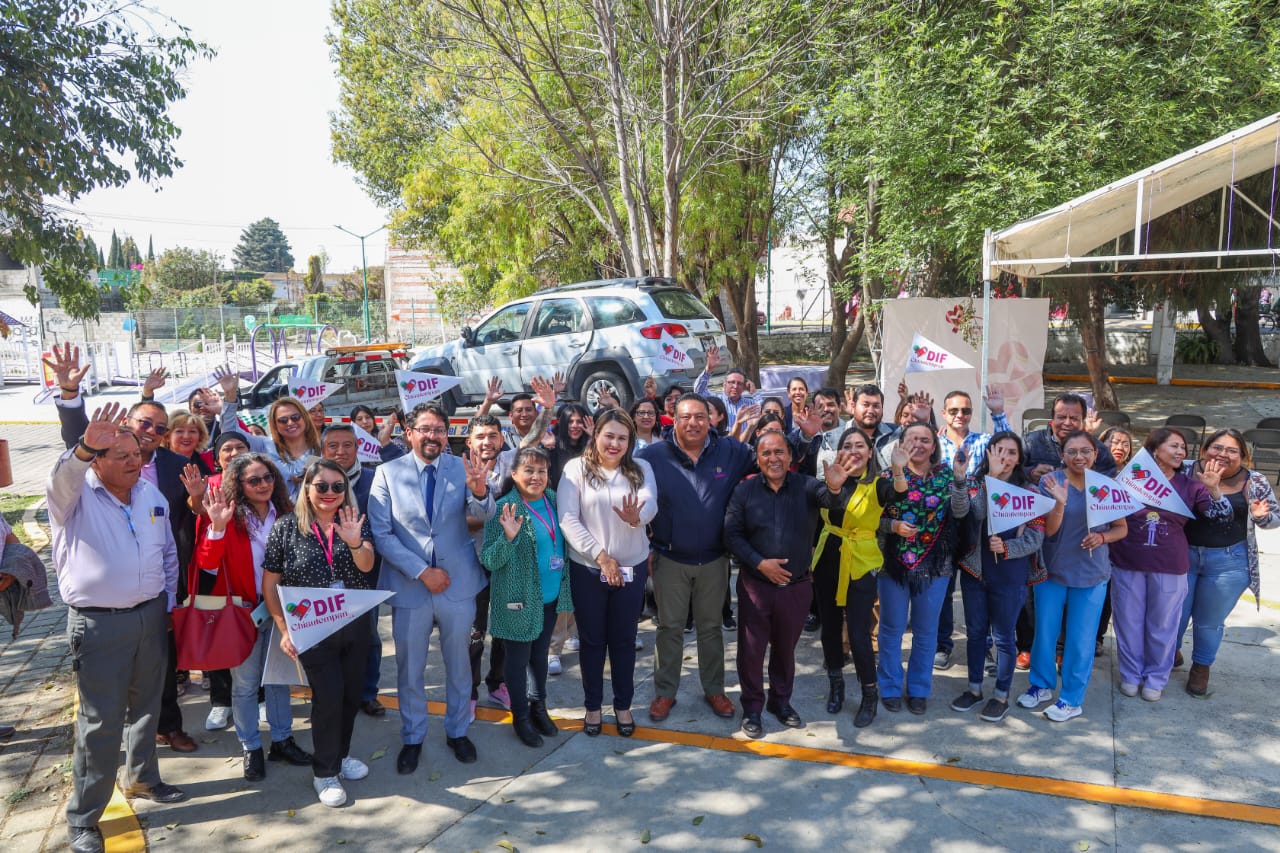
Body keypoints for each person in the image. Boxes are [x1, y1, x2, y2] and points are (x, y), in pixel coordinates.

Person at [46, 344, 200, 755]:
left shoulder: (162, 475)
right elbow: (71, 459)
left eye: (156, 430)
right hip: (99, 619)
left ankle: (154, 756)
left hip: (154, 602)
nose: (137, 453)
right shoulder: (81, 488)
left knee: (156, 690)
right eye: (142, 426)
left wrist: (169, 598)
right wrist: (69, 398)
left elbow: (171, 542)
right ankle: (90, 801)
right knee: (103, 712)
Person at [48, 403, 186, 853]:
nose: (133, 461)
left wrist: (164, 603)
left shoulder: (151, 496)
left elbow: (168, 555)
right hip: (99, 624)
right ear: (97, 460)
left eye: (136, 454)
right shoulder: (75, 496)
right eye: (119, 454)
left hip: (149, 616)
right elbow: (61, 477)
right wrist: (85, 443)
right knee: (99, 723)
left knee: (147, 707)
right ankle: (85, 818)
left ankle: (143, 778)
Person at [369, 402, 495, 772]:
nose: (433, 436)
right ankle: (413, 736)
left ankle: (458, 731)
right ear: (409, 433)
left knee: (459, 665)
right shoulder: (387, 473)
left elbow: (485, 516)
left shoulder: (463, 467)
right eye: (425, 429)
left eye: (439, 430)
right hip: (412, 588)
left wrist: (482, 492)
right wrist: (423, 572)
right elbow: (381, 533)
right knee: (410, 669)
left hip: (458, 584)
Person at [724, 433, 855, 738]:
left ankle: (780, 703)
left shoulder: (807, 485)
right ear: (757, 458)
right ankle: (753, 707)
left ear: (790, 457)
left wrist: (836, 488)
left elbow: (831, 500)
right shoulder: (744, 491)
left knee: (785, 649)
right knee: (751, 651)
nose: (773, 458)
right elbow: (731, 535)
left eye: (779, 452)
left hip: (796, 588)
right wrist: (760, 563)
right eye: (766, 453)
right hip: (756, 585)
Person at [263, 459, 376, 807]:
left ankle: (339, 757)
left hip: (355, 624)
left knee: (350, 696)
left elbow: (368, 566)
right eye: (321, 486)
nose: (329, 493)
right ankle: (324, 772)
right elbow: (270, 585)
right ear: (307, 489)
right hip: (312, 627)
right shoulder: (285, 528)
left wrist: (355, 542)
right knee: (328, 698)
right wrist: (283, 628)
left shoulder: (355, 520)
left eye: (337, 487)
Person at [639, 393, 756, 723]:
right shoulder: (652, 457)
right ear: (673, 420)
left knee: (711, 629)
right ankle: (665, 692)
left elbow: (772, 460)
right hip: (669, 559)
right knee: (669, 628)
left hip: (715, 561)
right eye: (686, 417)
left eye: (700, 417)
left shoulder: (730, 452)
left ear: (712, 420)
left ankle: (714, 689)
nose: (693, 423)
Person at [194, 454, 311, 780]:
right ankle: (250, 747)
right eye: (254, 480)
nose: (263, 485)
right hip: (244, 612)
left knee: (278, 679)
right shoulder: (226, 517)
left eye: (268, 478)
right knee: (245, 685)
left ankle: (282, 740)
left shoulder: (287, 513)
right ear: (239, 485)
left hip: (283, 610)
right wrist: (216, 527)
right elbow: (206, 565)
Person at [1108, 428, 1229, 702]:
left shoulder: (1191, 486)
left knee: (1163, 626)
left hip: (1170, 566)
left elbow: (1220, 518)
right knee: (1128, 623)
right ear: (1154, 450)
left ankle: (1155, 678)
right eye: (1174, 446)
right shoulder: (1129, 480)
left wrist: (1214, 490)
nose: (1180, 452)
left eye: (1183, 448)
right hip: (1127, 562)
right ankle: (1130, 674)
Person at [557, 409, 657, 737]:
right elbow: (568, 519)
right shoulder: (576, 470)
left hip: (632, 569)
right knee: (592, 642)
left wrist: (635, 518)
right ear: (596, 434)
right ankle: (592, 706)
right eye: (609, 435)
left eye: (622, 438)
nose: (614, 443)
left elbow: (649, 504)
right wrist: (601, 556)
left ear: (630, 442)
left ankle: (623, 705)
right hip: (589, 570)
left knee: (624, 641)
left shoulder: (642, 468)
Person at [1018, 430, 1128, 722]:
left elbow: (1122, 528)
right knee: (1044, 633)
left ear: (1095, 454)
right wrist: (1059, 503)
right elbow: (1050, 532)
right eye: (1072, 451)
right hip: (1052, 571)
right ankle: (1040, 685)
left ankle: (1071, 699)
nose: (1079, 457)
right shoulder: (1049, 481)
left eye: (1085, 451)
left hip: (1091, 575)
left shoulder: (1106, 485)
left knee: (1081, 640)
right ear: (1062, 455)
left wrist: (1103, 538)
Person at [481, 447, 574, 746]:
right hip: (517, 600)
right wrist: (508, 537)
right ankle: (520, 716)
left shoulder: (555, 501)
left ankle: (539, 707)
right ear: (514, 474)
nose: (536, 477)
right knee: (518, 660)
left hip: (550, 596)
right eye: (529, 471)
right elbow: (489, 560)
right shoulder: (504, 508)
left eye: (542, 471)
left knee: (539, 656)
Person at [950, 433, 1045, 723]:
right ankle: (974, 689)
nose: (1005, 457)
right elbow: (965, 511)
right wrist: (983, 478)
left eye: (1012, 452)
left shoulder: (1030, 492)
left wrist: (1007, 548)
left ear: (1020, 459)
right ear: (988, 454)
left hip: (1010, 575)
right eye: (998, 451)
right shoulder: (976, 484)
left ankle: (1000, 694)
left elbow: (1035, 538)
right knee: (976, 634)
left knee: (1005, 638)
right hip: (975, 572)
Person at [1176, 429, 1280, 695]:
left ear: (1244, 456)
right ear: (1204, 450)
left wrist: (1259, 516)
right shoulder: (1184, 469)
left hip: (1229, 562)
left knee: (1208, 621)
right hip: (1181, 555)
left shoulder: (1254, 480)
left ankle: (1201, 667)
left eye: (1232, 450)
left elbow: (1273, 520)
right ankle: (1169, 652)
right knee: (1172, 614)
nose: (1223, 454)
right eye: (1217, 448)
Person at [810, 427, 901, 727]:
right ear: (839, 451)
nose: (853, 450)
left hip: (861, 562)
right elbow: (827, 505)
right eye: (847, 445)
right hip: (828, 560)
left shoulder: (879, 484)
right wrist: (834, 488)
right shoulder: (829, 481)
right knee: (831, 629)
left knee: (860, 634)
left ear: (870, 451)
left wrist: (899, 470)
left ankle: (869, 694)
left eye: (860, 445)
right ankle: (836, 685)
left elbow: (897, 492)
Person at [877, 422, 969, 715]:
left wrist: (959, 478)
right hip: (892, 564)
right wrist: (892, 525)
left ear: (934, 445)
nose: (919, 444)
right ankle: (890, 686)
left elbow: (960, 511)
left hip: (935, 565)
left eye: (925, 440)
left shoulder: (945, 475)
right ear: (901, 443)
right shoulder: (886, 477)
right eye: (912, 439)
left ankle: (918, 689)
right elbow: (870, 519)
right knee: (890, 629)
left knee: (926, 631)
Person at [933, 387, 1011, 672]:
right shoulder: (936, 444)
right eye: (954, 410)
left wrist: (998, 413)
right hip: (941, 523)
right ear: (944, 413)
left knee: (978, 585)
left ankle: (983, 644)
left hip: (976, 524)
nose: (960, 416)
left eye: (965, 410)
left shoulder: (984, 441)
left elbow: (1009, 445)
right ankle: (943, 644)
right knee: (942, 588)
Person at [320, 424, 386, 717]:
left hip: (365, 573)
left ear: (358, 447)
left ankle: (367, 692)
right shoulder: (314, 482)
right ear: (323, 451)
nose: (340, 451)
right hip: (324, 576)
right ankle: (334, 692)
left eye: (347, 445)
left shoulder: (374, 479)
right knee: (329, 640)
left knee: (368, 637)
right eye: (333, 446)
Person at [221, 387, 322, 498]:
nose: (290, 423)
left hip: (309, 512)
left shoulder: (319, 450)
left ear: (304, 418)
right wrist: (230, 397)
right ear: (275, 425)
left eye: (295, 417)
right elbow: (230, 431)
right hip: (276, 513)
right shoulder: (265, 445)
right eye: (283, 420)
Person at [1024, 394, 1117, 479]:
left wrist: (1086, 477)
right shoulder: (1030, 442)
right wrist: (1031, 472)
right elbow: (1012, 471)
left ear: (1083, 421)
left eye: (1074, 418)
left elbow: (1109, 479)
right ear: (1053, 419)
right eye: (1061, 417)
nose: (1067, 423)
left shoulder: (1099, 449)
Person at [694, 348, 760, 431]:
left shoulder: (750, 404)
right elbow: (698, 392)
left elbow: (764, 412)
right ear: (724, 384)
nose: (735, 386)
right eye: (731, 382)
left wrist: (754, 393)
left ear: (744, 387)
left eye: (739, 383)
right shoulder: (715, 401)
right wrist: (708, 370)